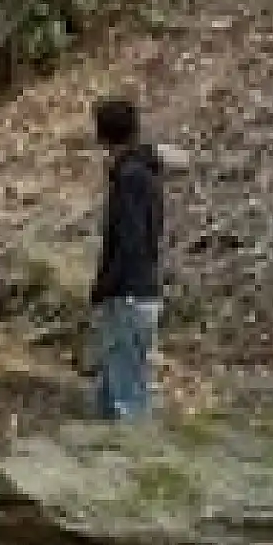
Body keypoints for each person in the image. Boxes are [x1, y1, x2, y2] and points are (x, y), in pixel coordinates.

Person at [90, 96, 165, 422]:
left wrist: (105, 289)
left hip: (128, 297)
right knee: (113, 387)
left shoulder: (131, 178)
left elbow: (130, 244)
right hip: (139, 294)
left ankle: (131, 464)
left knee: (126, 397)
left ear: (102, 135)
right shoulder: (144, 174)